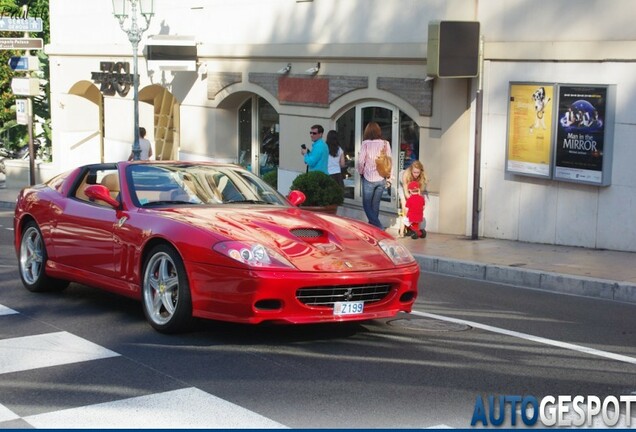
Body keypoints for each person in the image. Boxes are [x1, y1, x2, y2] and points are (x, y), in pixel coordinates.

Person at [357, 121, 391, 230]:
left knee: (366, 205)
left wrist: (360, 172)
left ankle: (378, 226)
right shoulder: (386, 143)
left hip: (368, 177)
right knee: (375, 205)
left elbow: (360, 161)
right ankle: (373, 228)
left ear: (367, 131)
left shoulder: (365, 143)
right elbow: (390, 161)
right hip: (381, 178)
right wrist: (389, 176)